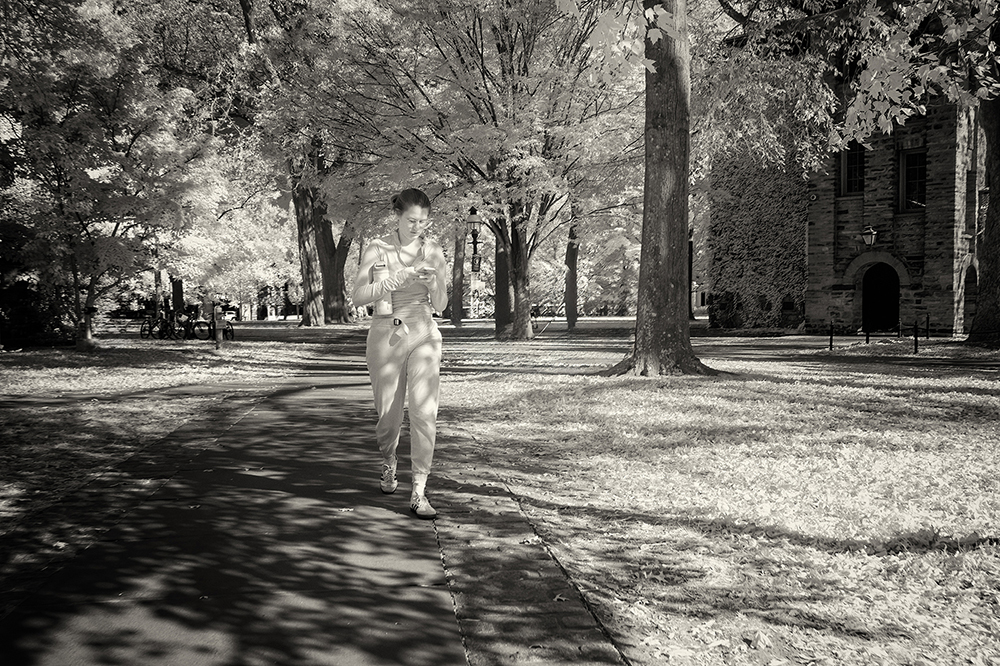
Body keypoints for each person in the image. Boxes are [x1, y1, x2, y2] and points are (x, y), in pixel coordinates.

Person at [351, 188, 448, 519]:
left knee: (424, 412)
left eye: (423, 221)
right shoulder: (378, 249)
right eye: (411, 220)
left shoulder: (434, 250)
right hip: (385, 333)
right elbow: (359, 296)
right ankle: (389, 460)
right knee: (389, 417)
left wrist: (434, 284)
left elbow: (442, 305)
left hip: (424, 332)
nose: (417, 226)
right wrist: (396, 279)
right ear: (397, 216)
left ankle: (419, 489)